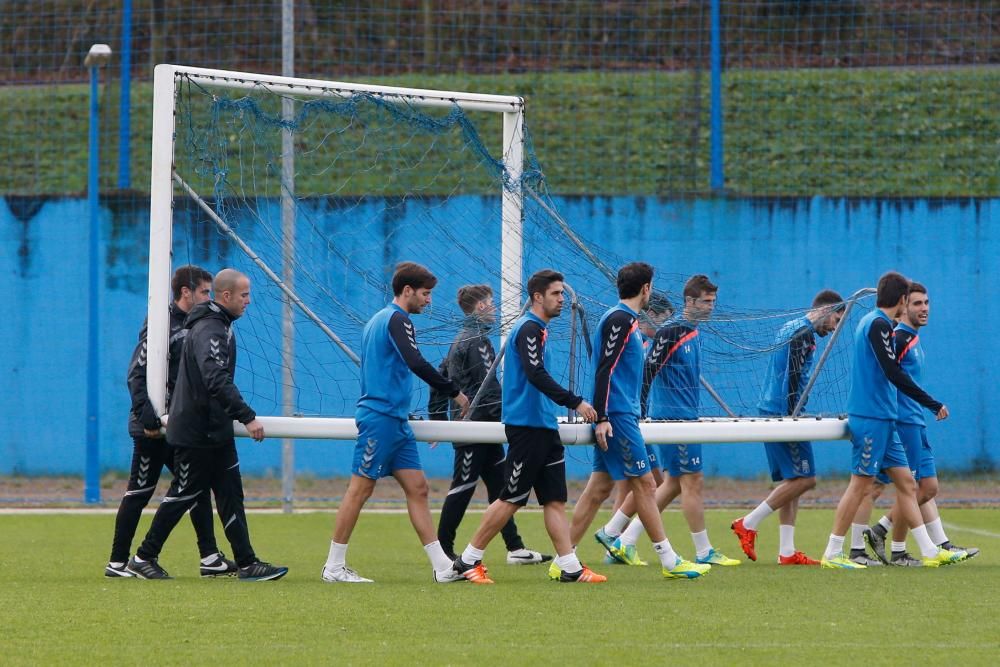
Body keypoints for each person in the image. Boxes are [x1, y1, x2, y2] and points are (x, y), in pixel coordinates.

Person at [128, 269, 288, 581]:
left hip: (216, 428)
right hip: (197, 429)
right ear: (225, 296)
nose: (248, 301)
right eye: (244, 295)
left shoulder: (219, 325)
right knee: (183, 495)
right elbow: (214, 377)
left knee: (231, 493)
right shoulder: (210, 329)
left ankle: (247, 562)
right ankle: (142, 557)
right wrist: (247, 415)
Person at [448, 269, 601, 584]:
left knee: (554, 499)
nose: (562, 299)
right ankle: (467, 560)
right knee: (511, 498)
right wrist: (576, 402)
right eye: (556, 293)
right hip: (527, 428)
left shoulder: (540, 329)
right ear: (537, 297)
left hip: (544, 426)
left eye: (562, 293)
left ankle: (569, 567)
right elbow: (534, 374)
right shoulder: (529, 328)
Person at [322, 262, 470, 583]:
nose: (429, 301)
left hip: (396, 421)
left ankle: (442, 567)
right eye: (426, 294)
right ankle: (333, 567)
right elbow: (415, 361)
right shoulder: (397, 319)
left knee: (418, 487)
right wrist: (454, 393)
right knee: (360, 490)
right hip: (381, 419)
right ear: (407, 292)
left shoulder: (378, 319)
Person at [567, 263, 710, 579]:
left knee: (598, 489)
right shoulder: (620, 319)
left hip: (619, 413)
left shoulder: (624, 319)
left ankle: (566, 558)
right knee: (647, 484)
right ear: (646, 288)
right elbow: (605, 368)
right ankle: (669, 560)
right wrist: (603, 416)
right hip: (617, 415)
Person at [819, 271, 964, 569]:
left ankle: (929, 551)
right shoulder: (877, 324)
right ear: (901, 300)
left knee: (909, 484)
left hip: (885, 417)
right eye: (910, 301)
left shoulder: (879, 323)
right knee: (860, 485)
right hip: (871, 417)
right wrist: (932, 403)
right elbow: (892, 372)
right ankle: (833, 552)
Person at [106, 265, 237, 578]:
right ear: (186, 293)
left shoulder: (199, 324)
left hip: (179, 426)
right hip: (152, 428)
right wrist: (147, 414)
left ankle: (209, 557)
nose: (210, 298)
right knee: (140, 492)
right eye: (205, 292)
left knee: (195, 488)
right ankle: (118, 562)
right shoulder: (160, 323)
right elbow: (136, 372)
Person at [609, 274, 741, 567]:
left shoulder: (693, 332)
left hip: (686, 419)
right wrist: (641, 413)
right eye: (706, 301)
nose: (710, 307)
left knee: (672, 484)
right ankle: (703, 550)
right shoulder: (672, 331)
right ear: (689, 301)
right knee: (693, 481)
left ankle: (624, 540)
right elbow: (648, 371)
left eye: (713, 302)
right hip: (674, 420)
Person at [856, 282, 979, 566]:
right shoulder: (897, 337)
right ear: (903, 306)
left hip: (916, 420)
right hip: (903, 421)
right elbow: (889, 376)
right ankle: (899, 549)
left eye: (926, 303)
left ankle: (884, 532)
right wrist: (929, 404)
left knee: (929, 487)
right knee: (909, 488)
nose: (924, 308)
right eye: (916, 304)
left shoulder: (913, 337)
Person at [432, 284, 552, 565]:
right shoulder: (475, 340)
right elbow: (489, 387)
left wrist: (437, 419)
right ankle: (443, 550)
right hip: (475, 427)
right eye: (492, 303)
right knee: (463, 486)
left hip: (482, 426)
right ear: (480, 307)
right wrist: (509, 415)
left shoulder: (465, 336)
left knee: (500, 488)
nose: (495, 309)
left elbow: (441, 375)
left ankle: (515, 548)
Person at [730, 289, 845, 566]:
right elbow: (792, 376)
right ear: (825, 311)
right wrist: (794, 416)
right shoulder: (802, 334)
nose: (835, 328)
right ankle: (748, 522)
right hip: (784, 413)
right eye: (836, 320)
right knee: (806, 479)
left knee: (793, 481)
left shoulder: (790, 326)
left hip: (771, 408)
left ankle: (787, 551)